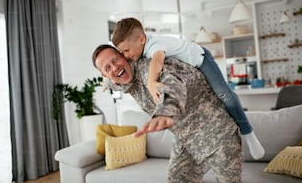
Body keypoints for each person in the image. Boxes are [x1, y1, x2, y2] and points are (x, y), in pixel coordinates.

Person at [110, 17, 264, 159]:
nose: (125, 56)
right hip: (189, 70)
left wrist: (151, 82)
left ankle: (248, 133)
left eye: (126, 51)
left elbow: (157, 61)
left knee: (225, 95)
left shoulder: (154, 46)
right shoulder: (140, 50)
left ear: (141, 39)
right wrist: (108, 81)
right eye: (121, 52)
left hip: (201, 59)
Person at [92, 44, 242, 183]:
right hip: (187, 138)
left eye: (115, 60)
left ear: (124, 56)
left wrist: (164, 113)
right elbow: (114, 80)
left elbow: (172, 85)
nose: (114, 67)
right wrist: (107, 84)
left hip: (217, 131)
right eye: (107, 68)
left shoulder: (148, 68)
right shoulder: (119, 80)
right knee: (177, 179)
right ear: (105, 75)